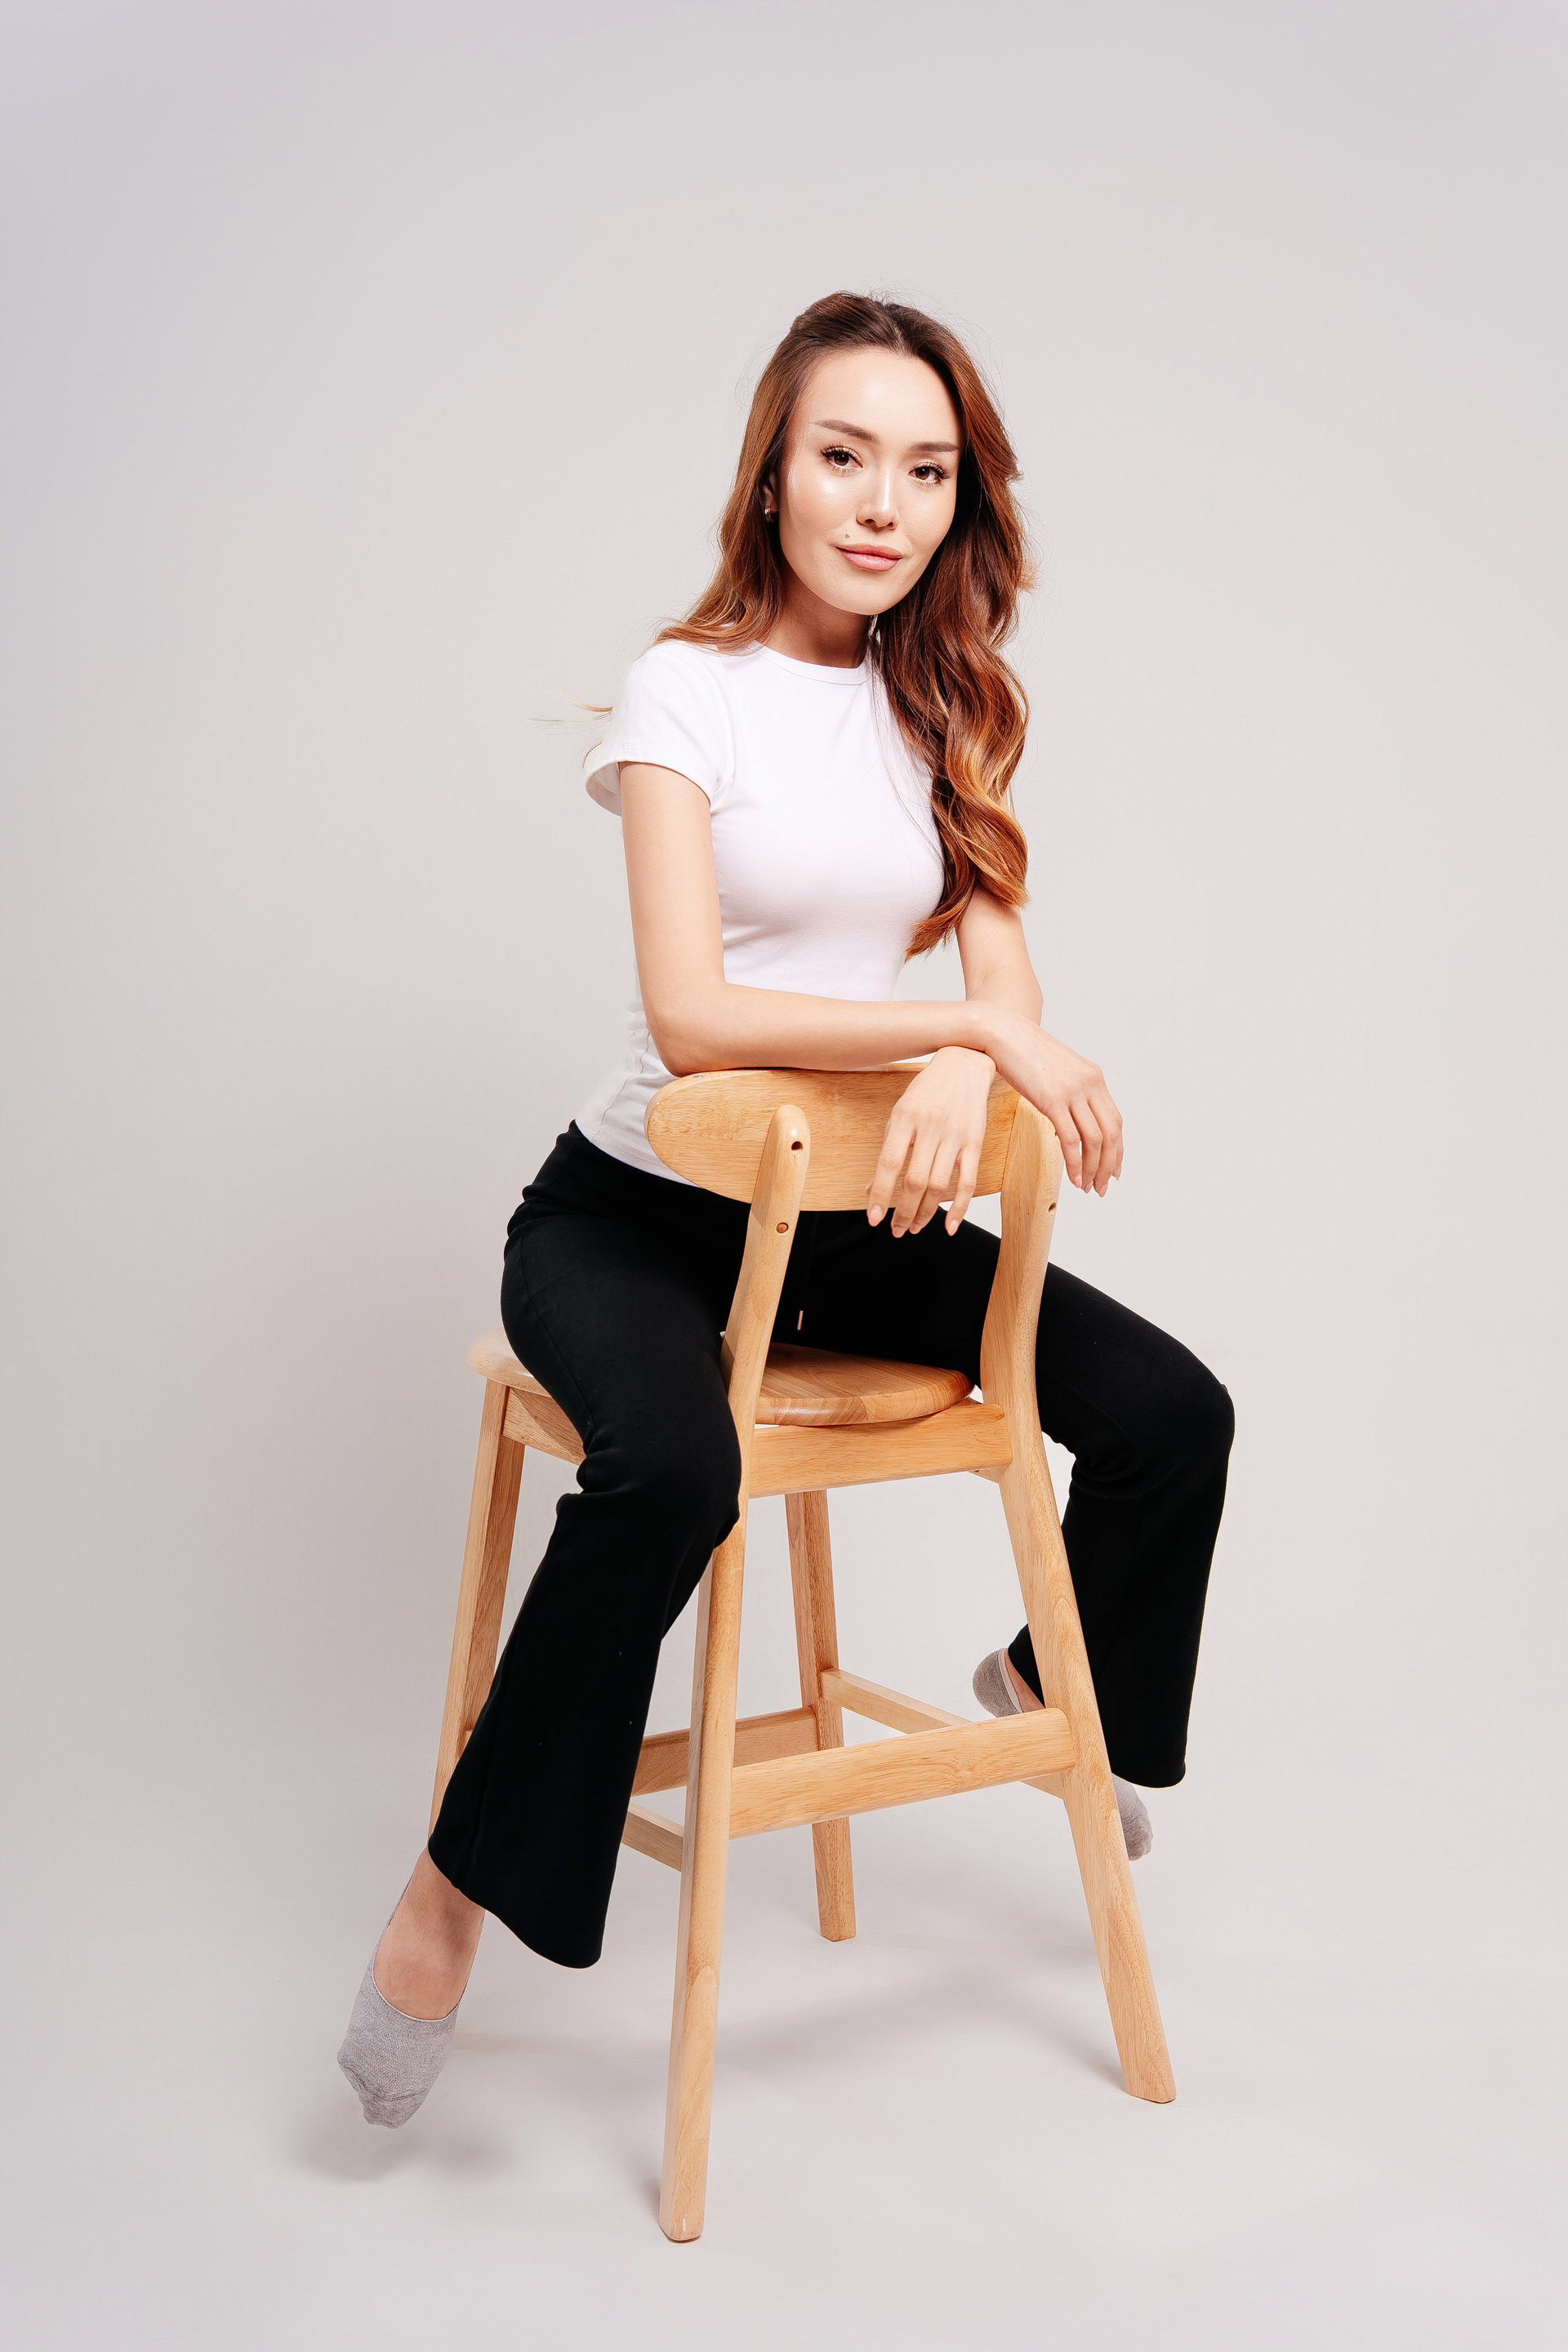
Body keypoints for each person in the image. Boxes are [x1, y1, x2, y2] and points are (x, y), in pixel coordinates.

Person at [338, 292, 1234, 2127]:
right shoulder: (687, 691)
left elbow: (1005, 979)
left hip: (849, 1230)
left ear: (959, 499)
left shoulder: (948, 706)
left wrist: (979, 1046)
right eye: (845, 457)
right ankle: (451, 1891)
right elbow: (694, 1016)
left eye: (927, 470)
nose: (883, 505)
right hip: (637, 1216)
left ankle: (1046, 1678)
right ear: (775, 474)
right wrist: (962, 1033)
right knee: (676, 1471)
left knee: (1172, 1416)